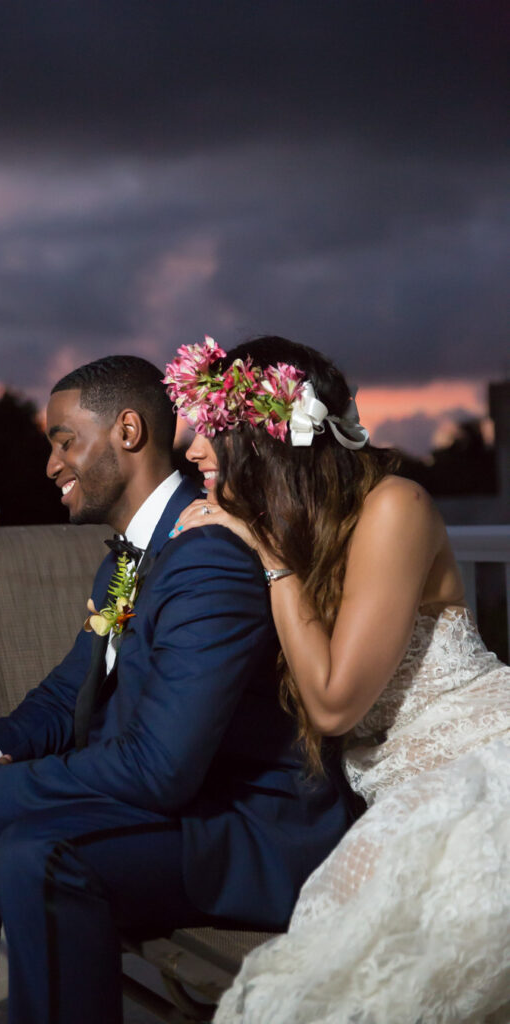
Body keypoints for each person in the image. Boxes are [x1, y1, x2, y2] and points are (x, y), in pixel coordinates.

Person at [0, 354, 358, 1024]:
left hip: (237, 824)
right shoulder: (128, 557)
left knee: (34, 849)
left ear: (129, 432)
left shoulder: (207, 556)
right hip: (167, 786)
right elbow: (68, 691)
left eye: (63, 441)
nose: (51, 466)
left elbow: (163, 768)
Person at [165, 335, 510, 1024]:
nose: (192, 450)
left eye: (210, 431)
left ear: (264, 439)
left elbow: (330, 704)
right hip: (385, 787)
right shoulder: (302, 533)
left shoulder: (393, 507)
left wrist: (264, 554)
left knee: (367, 970)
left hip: (484, 760)